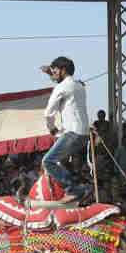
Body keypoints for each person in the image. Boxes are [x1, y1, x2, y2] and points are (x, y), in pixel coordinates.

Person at [41, 56, 90, 203]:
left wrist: (51, 128)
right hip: (83, 134)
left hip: (72, 132)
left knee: (48, 161)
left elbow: (48, 113)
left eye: (55, 70)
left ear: (63, 70)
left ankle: (74, 190)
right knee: (61, 161)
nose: (53, 73)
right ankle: (80, 186)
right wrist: (50, 73)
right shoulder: (79, 86)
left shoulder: (61, 88)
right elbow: (64, 82)